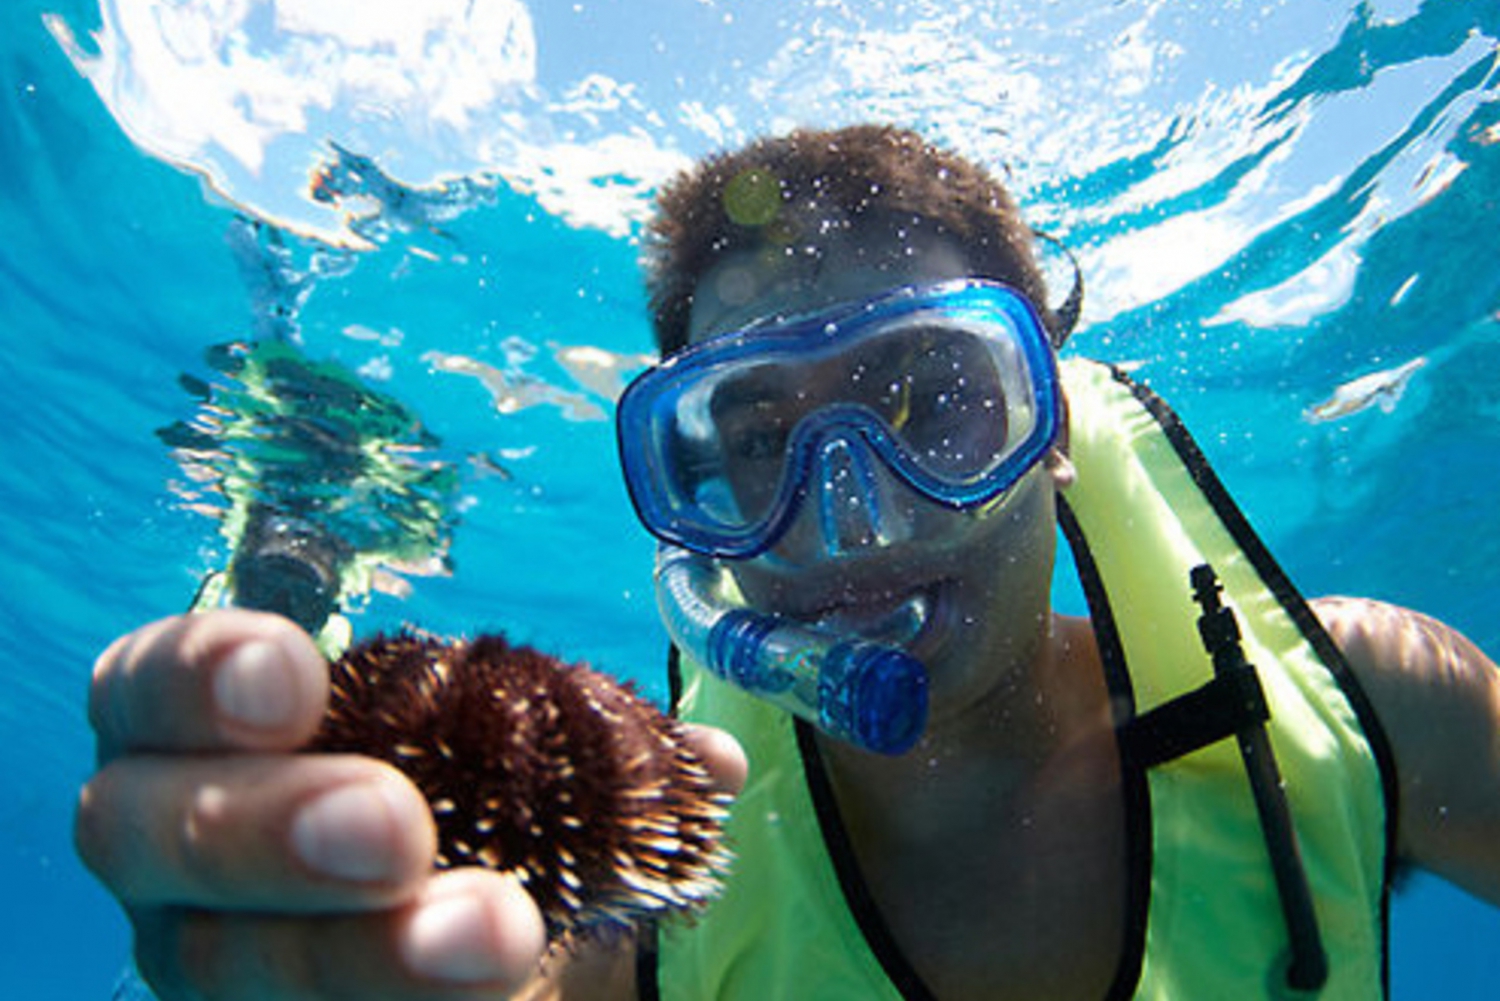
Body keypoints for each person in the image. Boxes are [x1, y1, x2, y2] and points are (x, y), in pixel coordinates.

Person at [76, 125, 1500, 1000]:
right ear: (681, 487)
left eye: (929, 401)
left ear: (1052, 424)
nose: (849, 522)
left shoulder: (1369, 704)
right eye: (751, 441)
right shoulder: (652, 894)